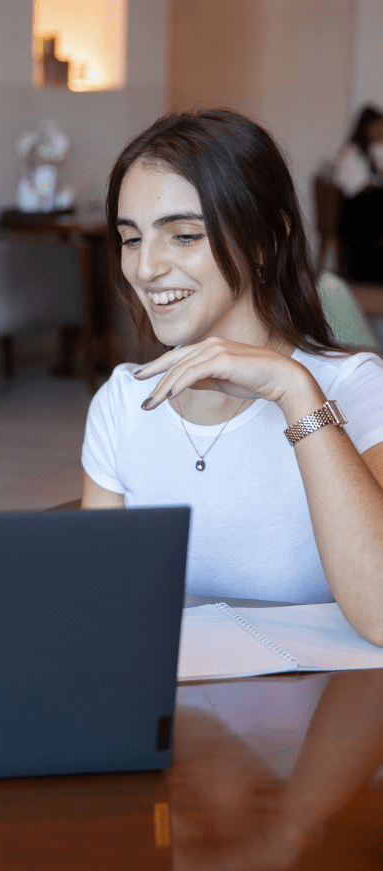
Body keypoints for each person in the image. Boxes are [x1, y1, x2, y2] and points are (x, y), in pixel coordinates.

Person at [81, 109, 383, 644]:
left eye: (183, 236)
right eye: (131, 239)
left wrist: (293, 390)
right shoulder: (123, 403)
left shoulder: (355, 389)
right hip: (179, 715)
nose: (145, 268)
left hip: (325, 720)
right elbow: (101, 606)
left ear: (266, 240)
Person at [332, 104, 383, 282]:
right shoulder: (351, 153)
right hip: (354, 215)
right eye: (378, 127)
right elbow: (357, 189)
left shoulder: (372, 152)